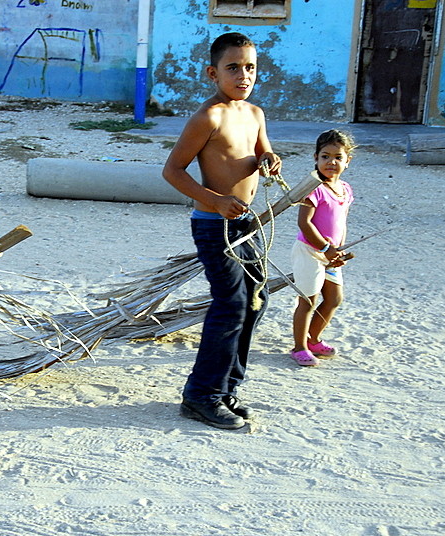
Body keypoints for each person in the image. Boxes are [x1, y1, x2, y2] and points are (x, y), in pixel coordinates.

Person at [162, 32, 281, 430]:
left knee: (255, 302)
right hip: (215, 225)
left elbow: (259, 151)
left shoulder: (255, 114)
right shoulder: (208, 117)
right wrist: (214, 200)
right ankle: (201, 396)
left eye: (250, 68)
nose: (243, 75)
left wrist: (269, 159)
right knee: (230, 305)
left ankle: (227, 388)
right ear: (213, 73)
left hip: (247, 223)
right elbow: (172, 171)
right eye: (233, 68)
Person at [289, 130, 356, 367]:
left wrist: (338, 251)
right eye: (325, 156)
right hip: (310, 251)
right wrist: (325, 247)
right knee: (308, 300)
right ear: (315, 158)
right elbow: (304, 223)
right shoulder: (313, 188)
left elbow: (341, 222)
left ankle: (314, 339)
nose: (331, 162)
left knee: (334, 299)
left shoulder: (345, 190)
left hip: (331, 253)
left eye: (338, 157)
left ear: (348, 161)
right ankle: (299, 347)